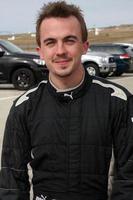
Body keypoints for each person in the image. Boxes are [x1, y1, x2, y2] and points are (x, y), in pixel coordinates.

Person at [0, 1, 133, 200]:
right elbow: (11, 183)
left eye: (69, 40)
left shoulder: (119, 101)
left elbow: (129, 179)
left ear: (84, 46)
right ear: (40, 52)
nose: (60, 50)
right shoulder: (23, 107)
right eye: (50, 42)